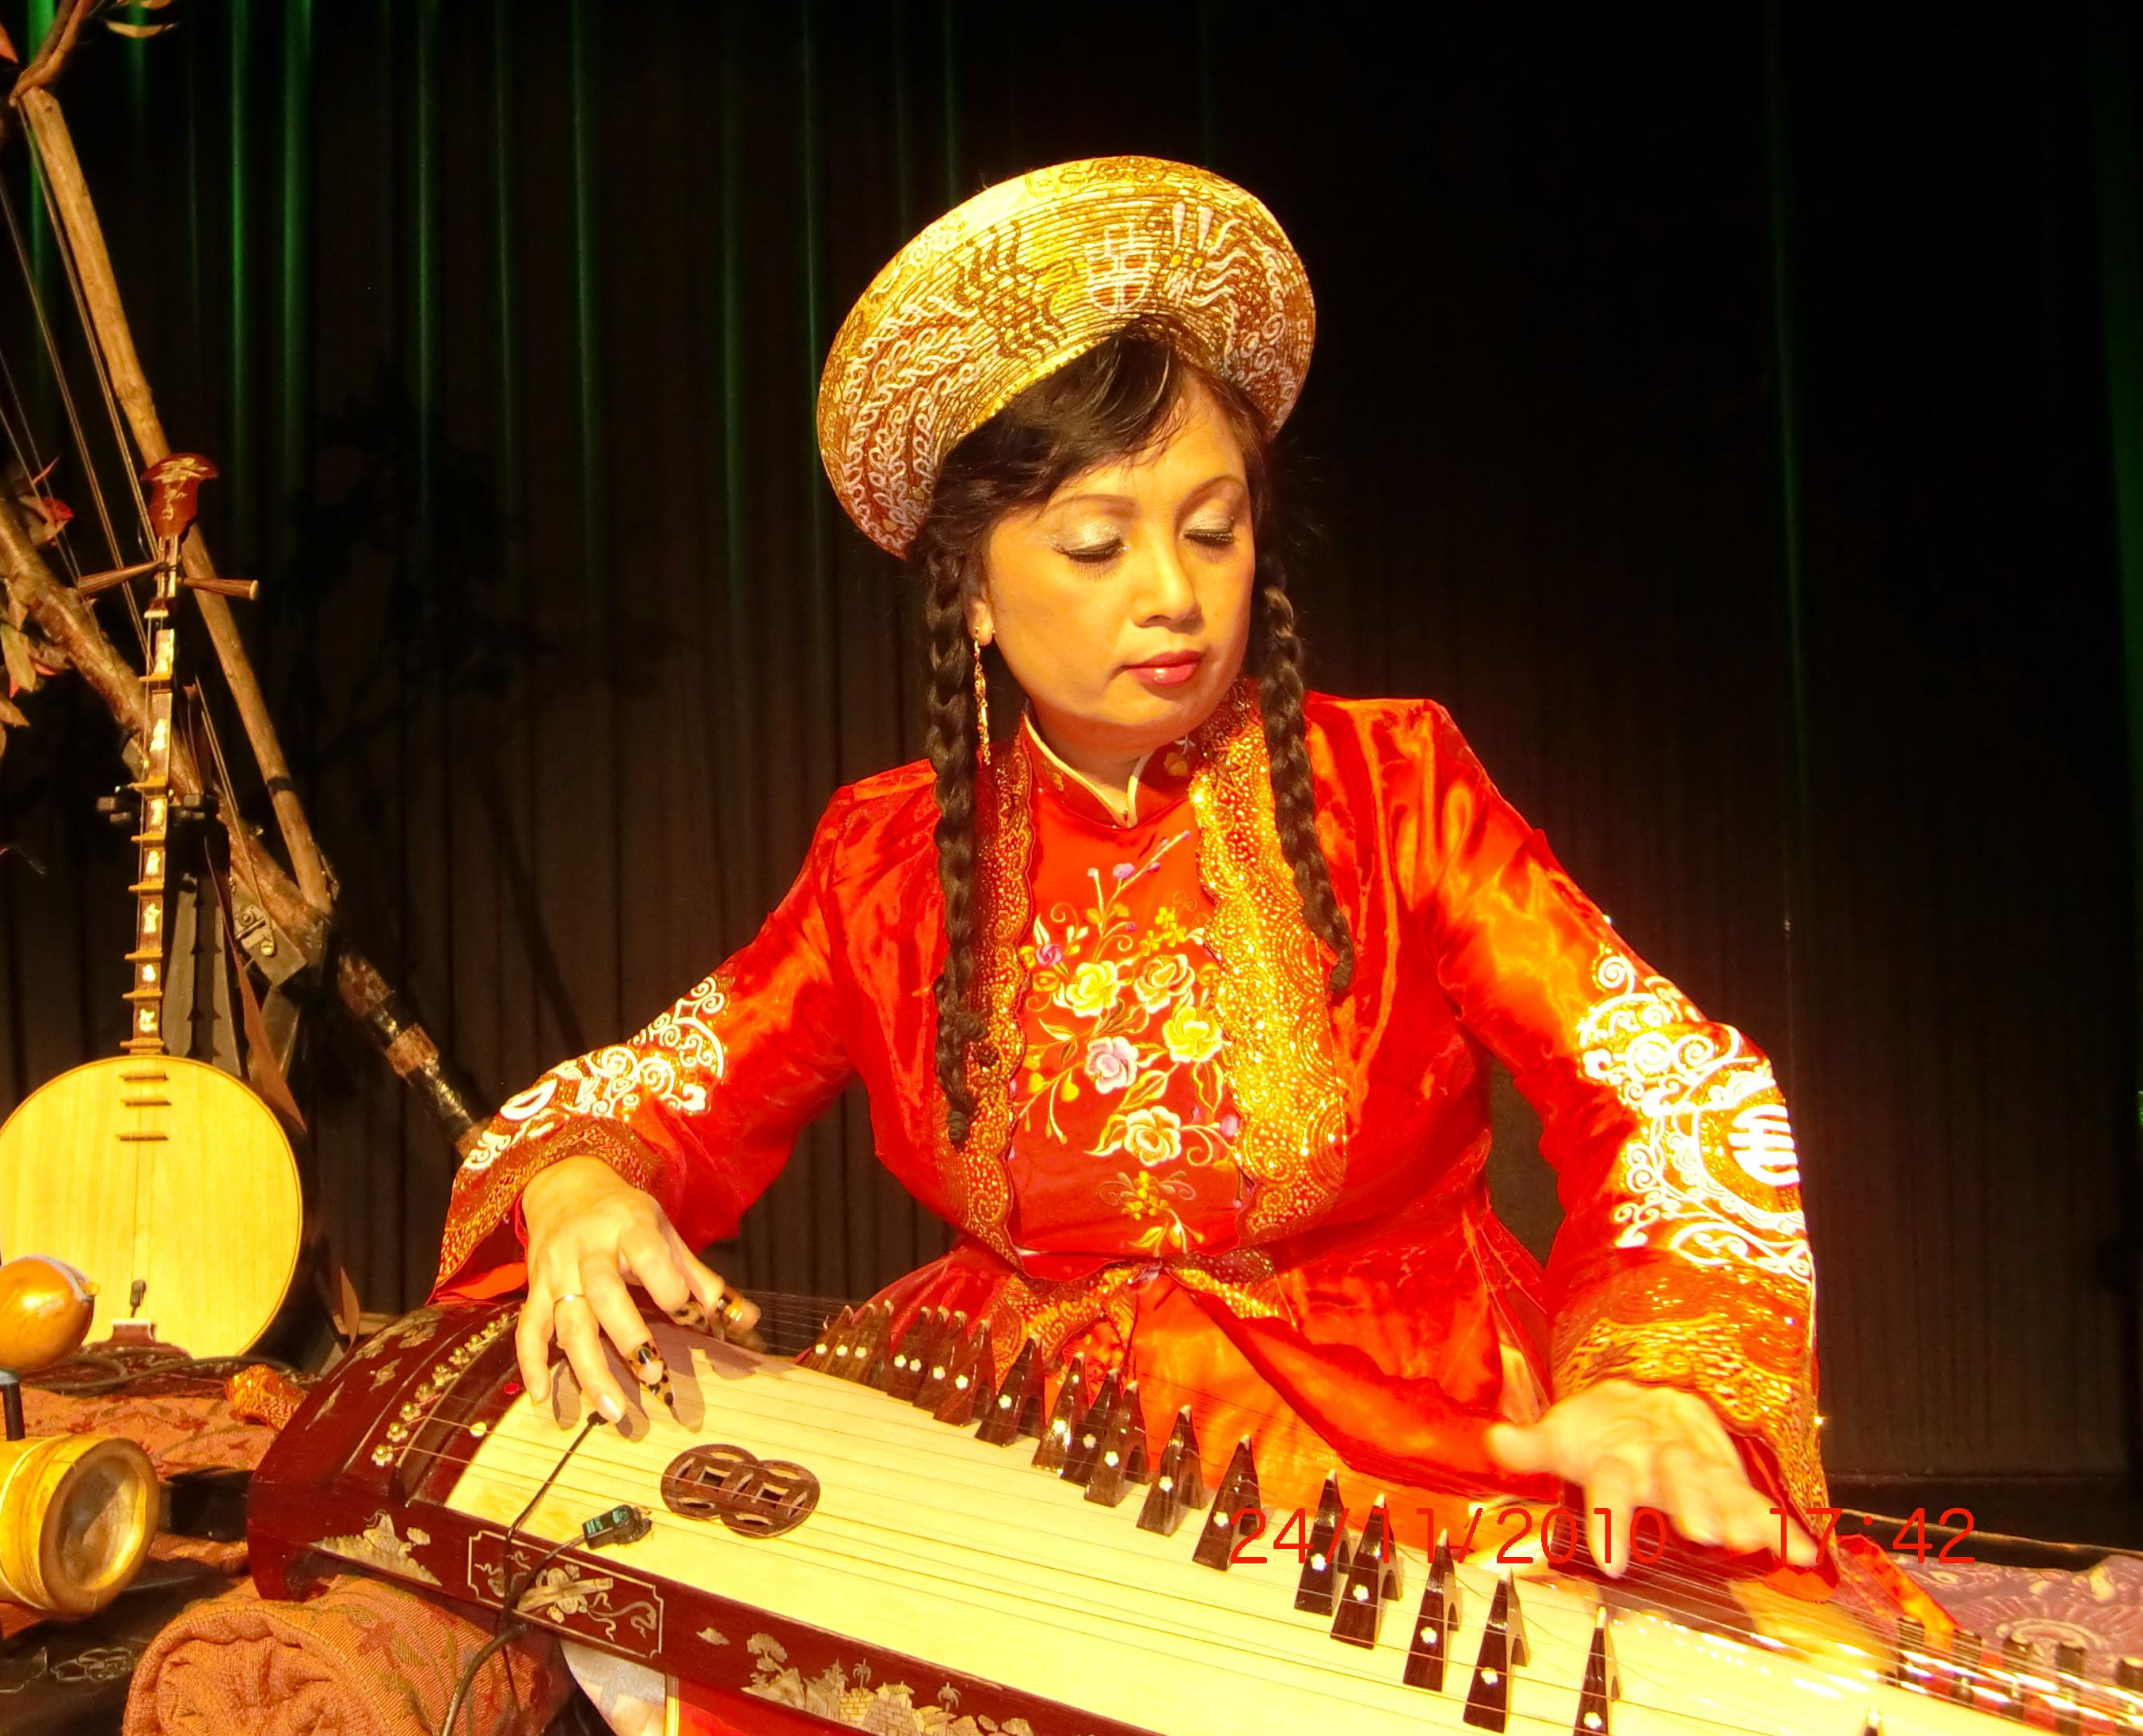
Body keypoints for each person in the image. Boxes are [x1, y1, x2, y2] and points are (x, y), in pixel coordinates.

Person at [432, 156, 1825, 1728]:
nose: (1173, 594)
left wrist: (1652, 1374)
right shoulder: (887, 863)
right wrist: (584, 1186)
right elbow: (659, 1095)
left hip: (1402, 1435)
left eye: (1213, 532)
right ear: (970, 591)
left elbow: (1671, 1085)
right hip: (1019, 1454)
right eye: (1097, 546)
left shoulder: (1392, 789)